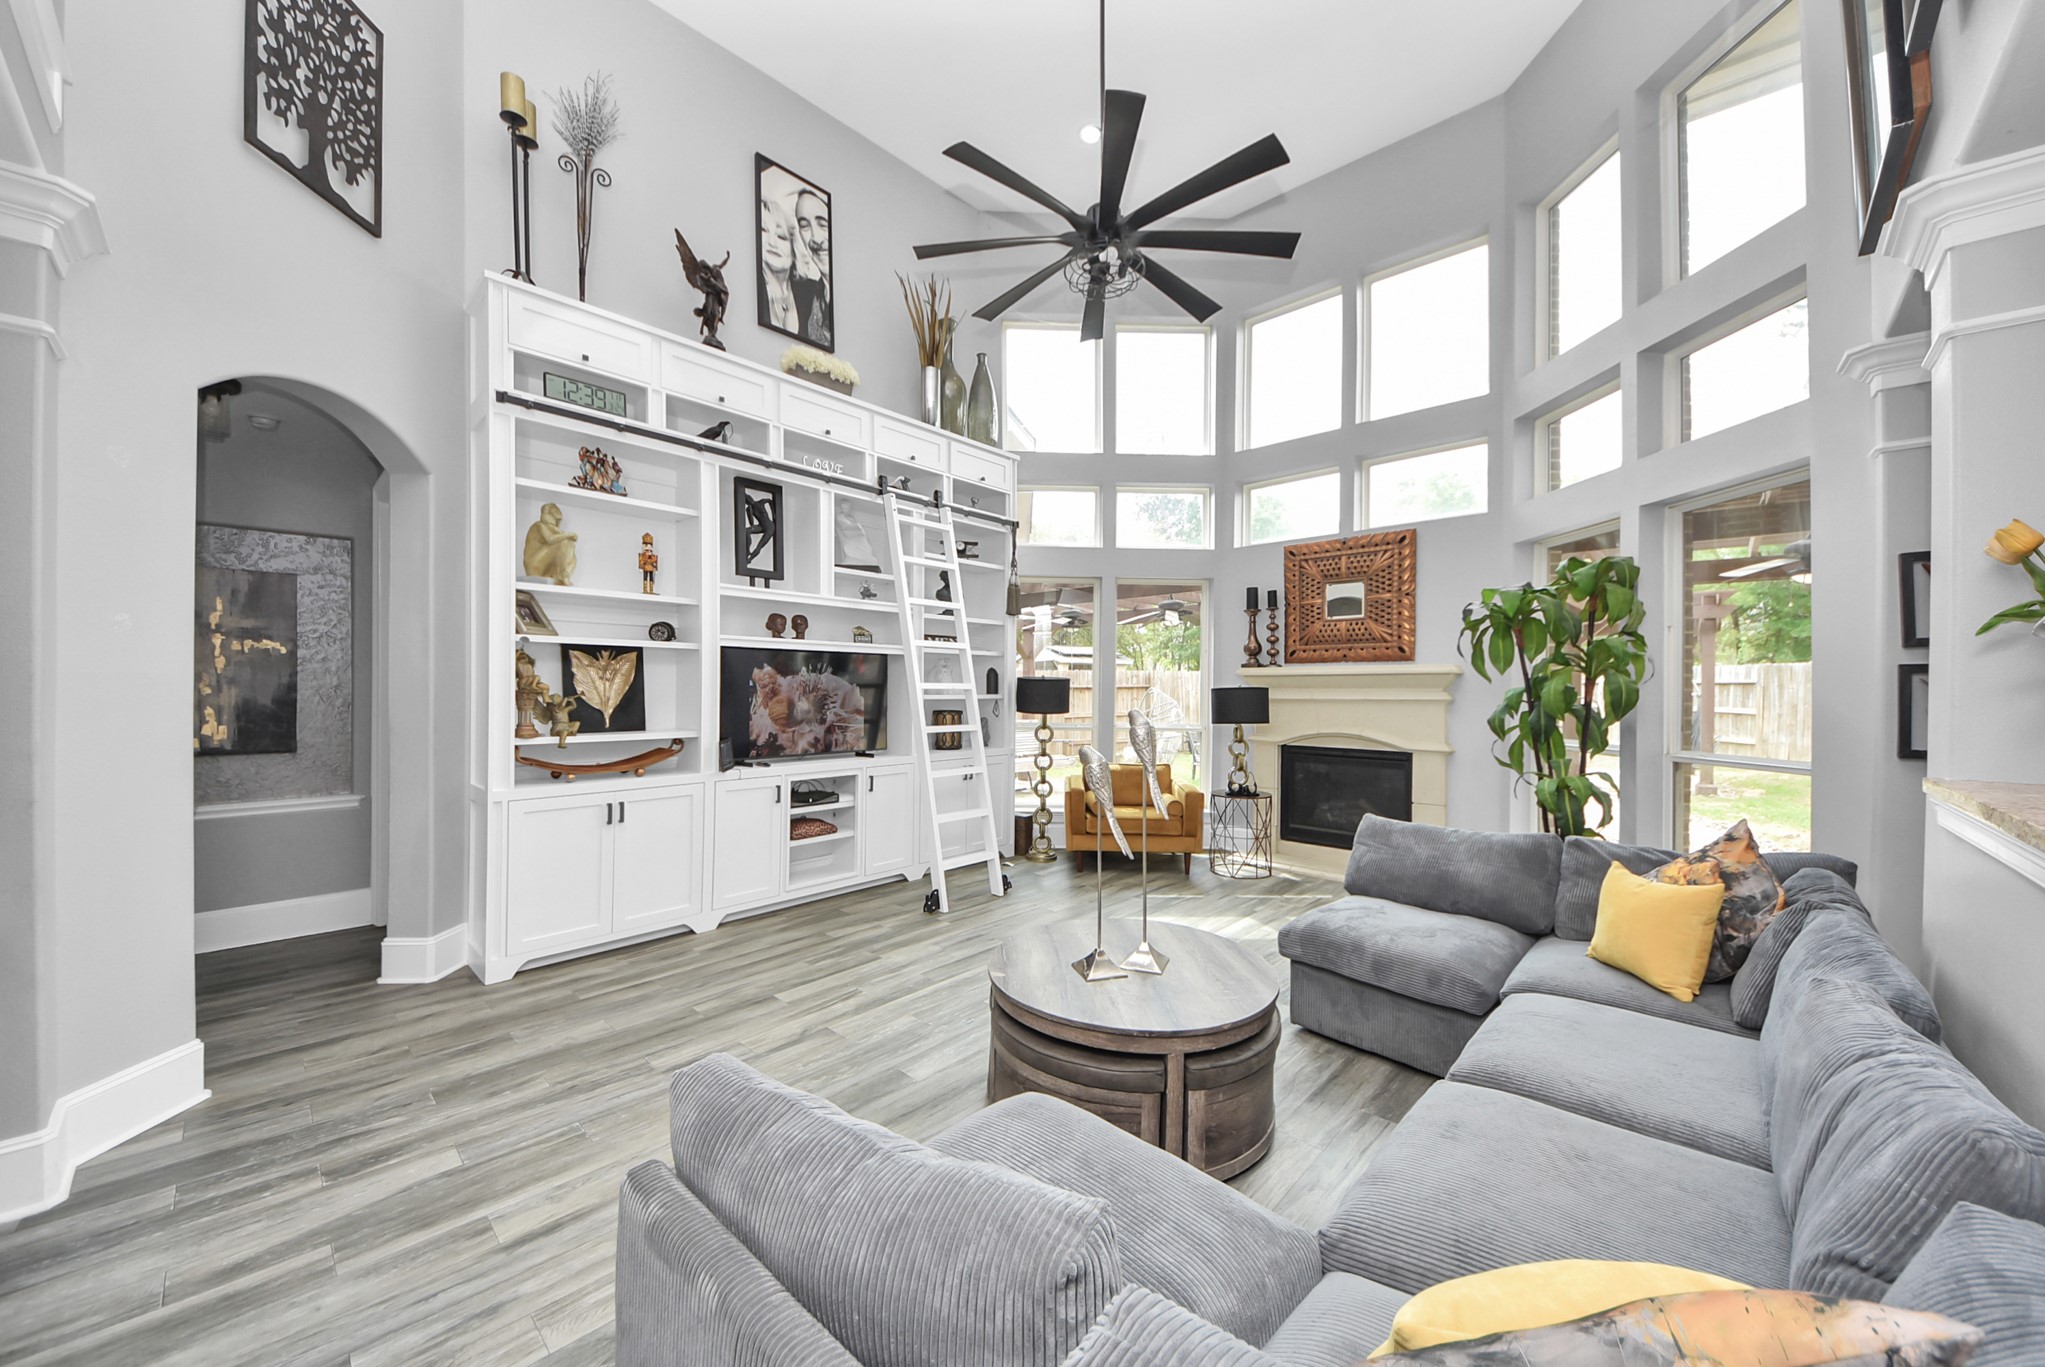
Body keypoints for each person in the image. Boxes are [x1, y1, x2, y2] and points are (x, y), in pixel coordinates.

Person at [758, 194, 801, 335]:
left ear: (794, 248)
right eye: (764, 230)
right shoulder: (752, 288)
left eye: (781, 236)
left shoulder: (810, 292)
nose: (772, 243)